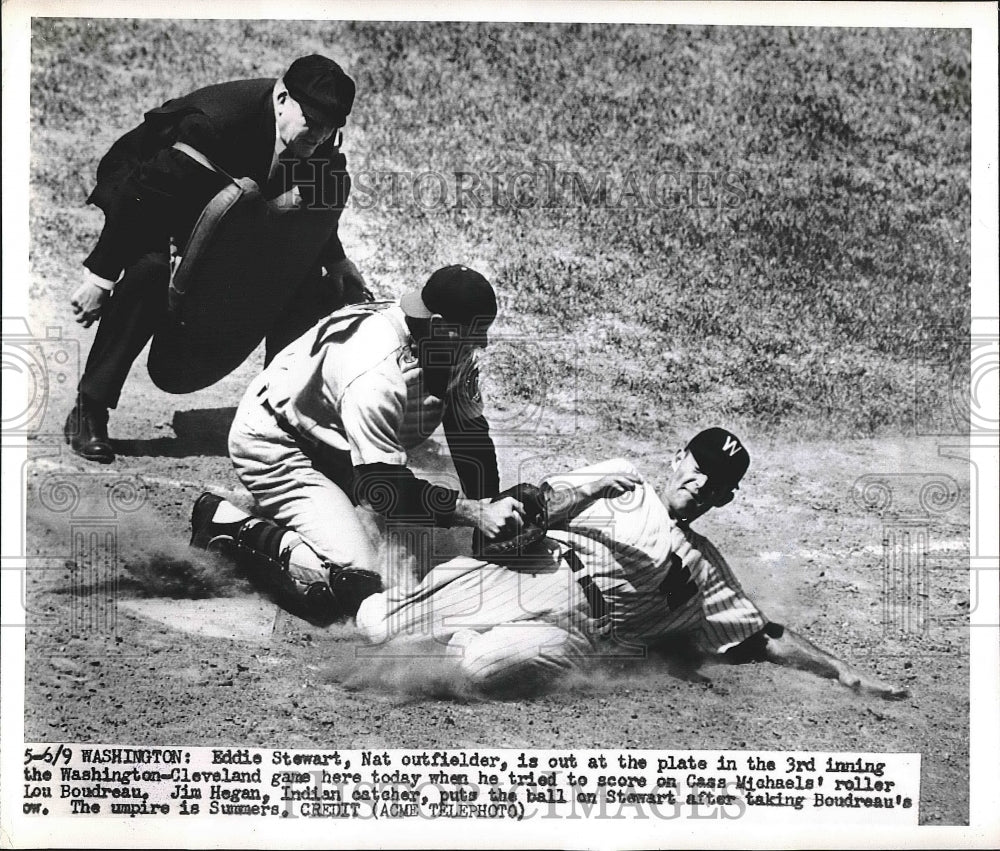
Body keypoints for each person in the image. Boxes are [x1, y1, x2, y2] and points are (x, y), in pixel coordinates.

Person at [353, 427, 910, 700]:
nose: (699, 481)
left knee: (479, 668)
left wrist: (842, 670)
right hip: (529, 574)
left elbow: (763, 637)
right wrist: (592, 488)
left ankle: (457, 640)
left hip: (575, 631)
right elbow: (531, 509)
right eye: (697, 466)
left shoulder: (703, 569)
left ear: (723, 499)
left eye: (715, 482)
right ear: (677, 458)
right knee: (376, 623)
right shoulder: (621, 481)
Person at [66, 54, 369, 463]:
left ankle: (279, 415)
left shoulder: (319, 137)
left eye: (331, 125)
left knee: (310, 282)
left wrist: (336, 261)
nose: (320, 133)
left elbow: (306, 209)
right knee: (151, 268)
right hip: (149, 186)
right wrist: (100, 277)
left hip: (227, 200)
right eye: (311, 120)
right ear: (282, 100)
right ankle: (90, 407)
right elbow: (145, 197)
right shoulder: (214, 124)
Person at [189, 264, 525, 622]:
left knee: (420, 565)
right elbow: (382, 488)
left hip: (338, 447)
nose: (483, 344)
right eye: (475, 333)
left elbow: (469, 433)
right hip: (278, 445)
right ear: (441, 324)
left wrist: (489, 504)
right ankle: (225, 525)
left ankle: (319, 515)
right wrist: (474, 513)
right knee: (358, 582)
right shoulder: (376, 371)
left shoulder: (445, 343)